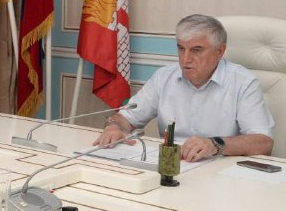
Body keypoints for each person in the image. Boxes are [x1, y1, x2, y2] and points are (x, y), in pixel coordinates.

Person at [94, 14, 274, 162]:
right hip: (171, 166)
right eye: (181, 48)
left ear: (219, 51)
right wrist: (113, 128)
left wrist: (215, 145)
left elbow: (263, 143)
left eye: (196, 50)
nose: (185, 59)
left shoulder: (243, 83)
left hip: (220, 169)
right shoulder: (164, 77)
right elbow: (124, 119)